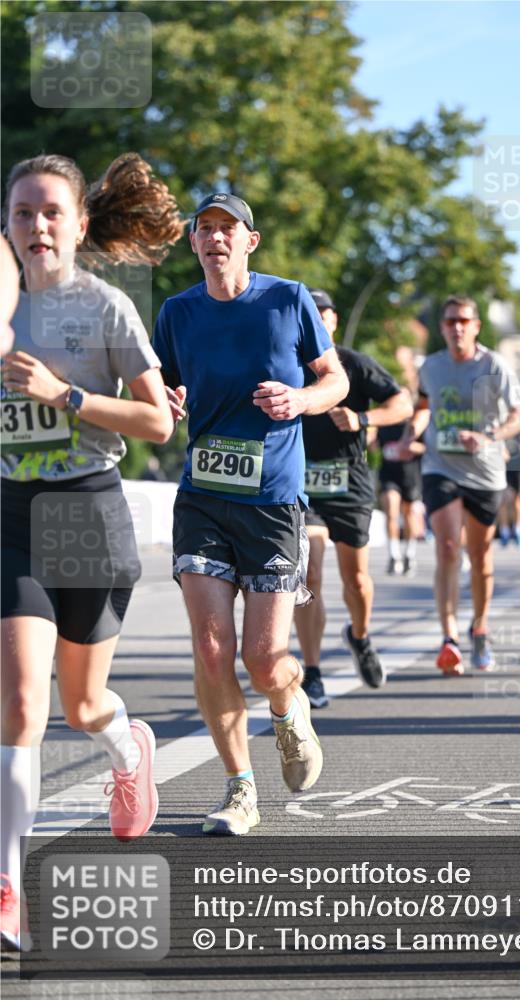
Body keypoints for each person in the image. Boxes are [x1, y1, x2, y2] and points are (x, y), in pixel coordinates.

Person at [1, 153, 181, 950]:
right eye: (22, 213)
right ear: (6, 227)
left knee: (81, 707)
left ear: (78, 224)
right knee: (20, 705)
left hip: (87, 513)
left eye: (51, 212)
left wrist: (64, 395)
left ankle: (125, 745)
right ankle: (8, 884)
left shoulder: (106, 308)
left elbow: (157, 423)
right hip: (12, 513)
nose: (37, 226)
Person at [152, 197, 348, 837]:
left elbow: (335, 380)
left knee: (265, 659)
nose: (215, 238)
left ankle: (289, 706)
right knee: (212, 648)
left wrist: (300, 399)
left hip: (272, 501)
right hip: (203, 496)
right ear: (193, 242)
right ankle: (240, 788)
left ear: (250, 241)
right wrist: (166, 400)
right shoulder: (177, 312)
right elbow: (159, 388)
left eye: (227, 229)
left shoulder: (287, 299)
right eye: (205, 229)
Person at [294, 290, 413, 708]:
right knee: (309, 574)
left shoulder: (353, 364)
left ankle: (359, 637)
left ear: (334, 321)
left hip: (349, 481)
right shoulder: (286, 362)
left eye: (322, 314)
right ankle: (312, 672)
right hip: (302, 484)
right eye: (307, 313)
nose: (315, 320)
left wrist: (363, 418)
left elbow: (402, 403)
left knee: (356, 581)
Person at [404, 295, 520, 673]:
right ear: (442, 328)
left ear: (476, 326)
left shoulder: (494, 365)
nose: (456, 327)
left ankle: (480, 627)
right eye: (450, 321)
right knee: (446, 548)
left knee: (481, 558)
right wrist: (410, 433)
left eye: (463, 320)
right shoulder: (431, 367)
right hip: (440, 467)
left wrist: (490, 438)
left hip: (485, 472)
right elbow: (424, 407)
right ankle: (449, 637)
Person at [377, 420, 425, 576]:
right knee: (391, 511)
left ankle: (409, 554)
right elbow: (374, 447)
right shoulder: (384, 422)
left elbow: (427, 447)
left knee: (409, 514)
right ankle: (394, 555)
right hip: (389, 475)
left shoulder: (416, 422)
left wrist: (411, 447)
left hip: (411, 475)